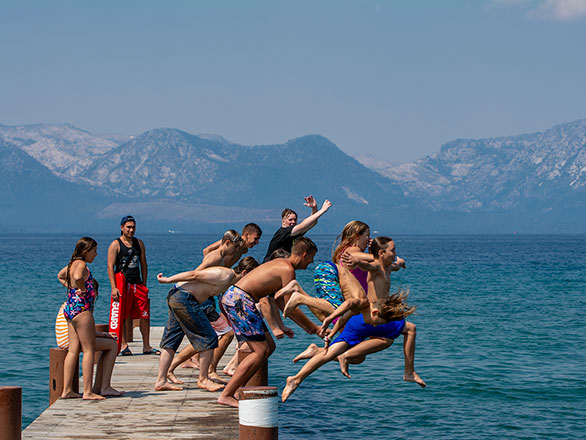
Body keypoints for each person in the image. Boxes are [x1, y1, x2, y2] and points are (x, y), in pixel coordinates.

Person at [218, 237, 321, 408]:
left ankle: (237, 389)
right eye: (311, 258)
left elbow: (281, 302)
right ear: (304, 255)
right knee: (260, 351)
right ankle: (227, 394)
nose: (311, 262)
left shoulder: (281, 264)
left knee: (269, 346)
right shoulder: (287, 269)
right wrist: (314, 328)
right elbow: (291, 305)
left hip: (238, 299)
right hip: (239, 300)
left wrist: (284, 326)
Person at [281, 288, 424, 402]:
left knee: (348, 355)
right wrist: (330, 319)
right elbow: (347, 307)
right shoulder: (363, 304)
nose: (376, 325)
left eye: (378, 324)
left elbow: (343, 317)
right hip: (357, 327)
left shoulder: (370, 308)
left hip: (354, 326)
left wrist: (330, 335)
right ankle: (297, 378)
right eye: (377, 322)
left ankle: (300, 373)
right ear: (375, 312)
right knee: (399, 334)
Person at [154, 257, 260, 392]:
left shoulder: (230, 282)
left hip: (180, 298)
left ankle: (161, 381)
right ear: (245, 273)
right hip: (184, 298)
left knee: (171, 340)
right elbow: (194, 274)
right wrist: (168, 280)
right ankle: (203, 379)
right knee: (209, 338)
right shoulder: (224, 275)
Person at [174, 230, 244, 381]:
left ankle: (180, 366)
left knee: (207, 336)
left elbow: (205, 254)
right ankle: (208, 371)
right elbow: (195, 273)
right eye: (236, 247)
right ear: (227, 243)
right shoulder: (215, 257)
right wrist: (176, 285)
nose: (237, 251)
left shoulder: (220, 256)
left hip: (204, 298)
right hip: (201, 300)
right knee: (224, 334)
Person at [57, 237, 122, 399]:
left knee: (73, 350)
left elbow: (60, 276)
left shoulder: (72, 264)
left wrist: (72, 288)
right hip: (82, 310)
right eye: (94, 251)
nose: (96, 254)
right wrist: (81, 287)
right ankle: (87, 391)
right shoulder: (81, 264)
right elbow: (78, 277)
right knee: (89, 350)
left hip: (71, 309)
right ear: (86, 251)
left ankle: (66, 390)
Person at [107, 215, 158, 356]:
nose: (131, 230)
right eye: (128, 227)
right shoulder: (115, 244)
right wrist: (113, 287)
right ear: (122, 227)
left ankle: (146, 346)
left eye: (133, 227)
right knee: (123, 315)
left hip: (138, 284)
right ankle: (123, 345)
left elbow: (143, 264)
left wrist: (145, 284)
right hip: (123, 284)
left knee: (144, 315)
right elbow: (110, 267)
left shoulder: (139, 243)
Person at [262, 196, 332, 263]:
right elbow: (303, 225)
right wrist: (322, 210)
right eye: (290, 220)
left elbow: (312, 223)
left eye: (295, 220)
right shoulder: (283, 232)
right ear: (283, 221)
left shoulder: (294, 234)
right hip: (268, 266)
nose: (293, 222)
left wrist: (314, 208)